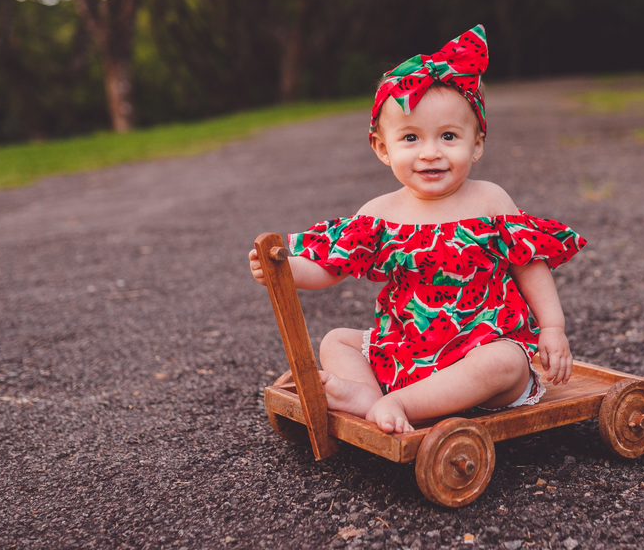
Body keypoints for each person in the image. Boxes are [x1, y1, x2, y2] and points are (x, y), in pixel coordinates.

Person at [248, 25, 585, 434]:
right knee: (337, 340)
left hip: (481, 350)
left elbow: (529, 264)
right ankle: (368, 396)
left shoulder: (491, 201)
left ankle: (399, 403)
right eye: (410, 138)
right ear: (382, 148)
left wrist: (552, 328)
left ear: (477, 145)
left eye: (449, 136)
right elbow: (330, 268)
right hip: (407, 353)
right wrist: (284, 270)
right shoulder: (379, 215)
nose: (430, 153)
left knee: (505, 362)